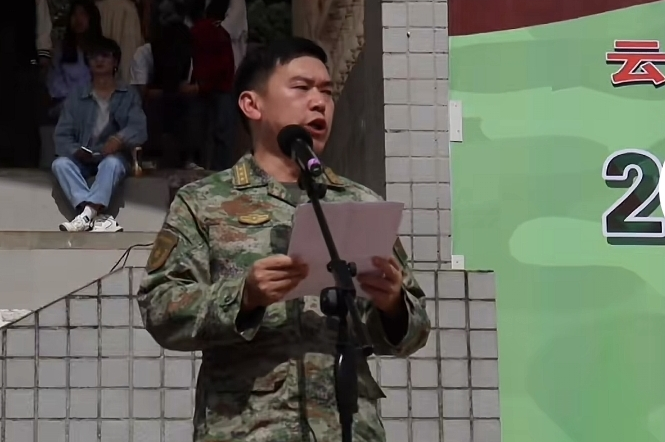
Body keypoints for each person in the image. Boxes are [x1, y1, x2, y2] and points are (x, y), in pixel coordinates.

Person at [138, 38, 431, 442]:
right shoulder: (203, 202)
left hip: (346, 429)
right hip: (248, 429)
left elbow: (415, 329)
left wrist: (394, 305)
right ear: (251, 104)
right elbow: (160, 308)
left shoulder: (359, 203)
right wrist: (244, 296)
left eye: (326, 92)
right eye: (302, 87)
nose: (319, 102)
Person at [52, 37, 147, 233]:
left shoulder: (128, 94)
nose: (99, 60)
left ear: (115, 61)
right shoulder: (77, 96)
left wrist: (119, 139)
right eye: (94, 56)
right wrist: (76, 151)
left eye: (105, 55)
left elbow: (139, 128)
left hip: (114, 157)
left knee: (111, 163)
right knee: (60, 164)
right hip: (83, 158)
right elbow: (61, 135)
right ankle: (97, 216)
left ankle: (86, 215)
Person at [189, 0, 237, 171]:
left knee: (200, 132)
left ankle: (197, 165)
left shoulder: (195, 31)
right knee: (223, 135)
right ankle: (220, 169)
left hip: (200, 87)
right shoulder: (221, 34)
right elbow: (226, 66)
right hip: (222, 89)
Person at [47, 0, 103, 119]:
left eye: (83, 14)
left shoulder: (103, 50)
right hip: (67, 108)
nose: (78, 19)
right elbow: (55, 85)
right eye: (74, 14)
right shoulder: (61, 50)